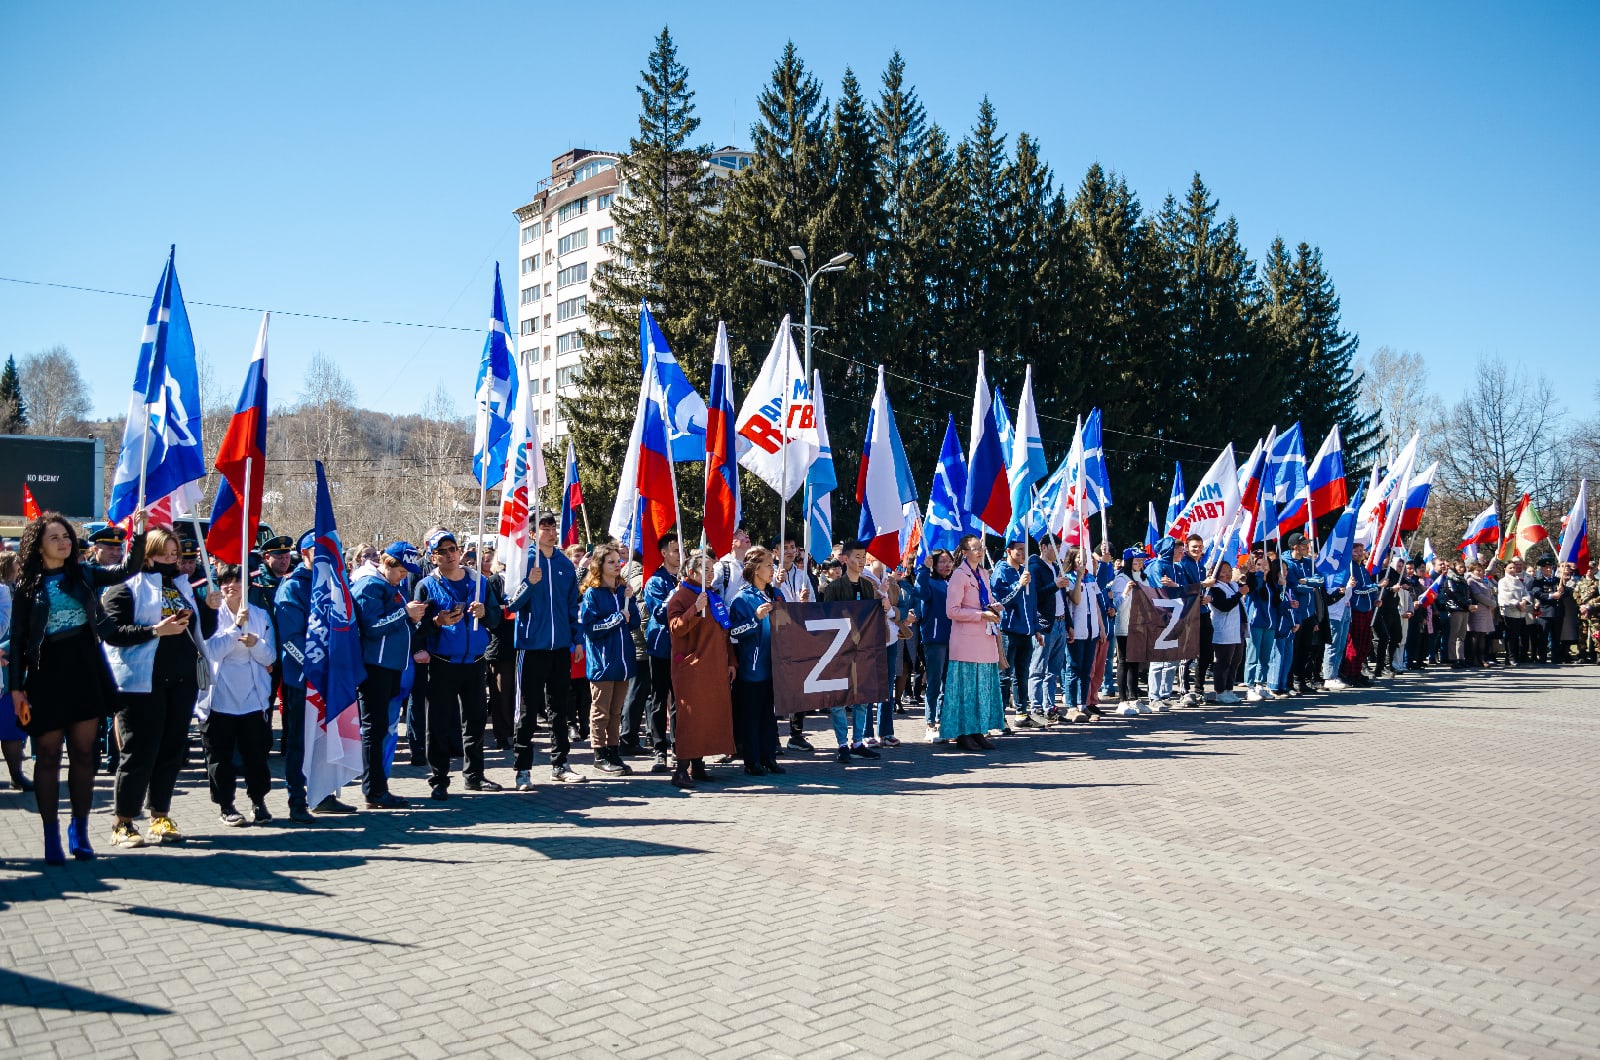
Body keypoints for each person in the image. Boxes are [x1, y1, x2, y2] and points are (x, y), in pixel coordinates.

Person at [6, 512, 145, 862]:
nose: (64, 542)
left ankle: (79, 831)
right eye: (55, 538)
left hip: (84, 668)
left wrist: (138, 533)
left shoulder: (84, 573)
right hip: (45, 673)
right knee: (48, 756)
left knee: (85, 754)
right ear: (38, 545)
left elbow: (126, 569)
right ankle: (51, 834)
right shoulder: (27, 585)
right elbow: (20, 638)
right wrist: (16, 689)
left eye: (66, 536)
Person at [102, 526, 220, 848]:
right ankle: (123, 822)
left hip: (181, 682)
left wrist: (208, 609)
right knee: (139, 753)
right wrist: (155, 630)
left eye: (175, 554)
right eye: (164, 553)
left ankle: (160, 816)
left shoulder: (181, 587)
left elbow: (201, 632)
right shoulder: (126, 586)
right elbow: (112, 632)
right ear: (147, 553)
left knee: (171, 752)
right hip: (141, 684)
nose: (172, 559)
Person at [414, 528, 505, 798]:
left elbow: (497, 619)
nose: (449, 555)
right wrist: (436, 622)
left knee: (476, 721)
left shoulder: (478, 581)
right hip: (442, 662)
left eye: (452, 549)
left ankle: (474, 775)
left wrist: (485, 612)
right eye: (442, 551)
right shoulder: (426, 585)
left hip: (475, 661)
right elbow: (416, 629)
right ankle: (439, 779)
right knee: (439, 724)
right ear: (433, 557)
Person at [505, 515, 583, 788]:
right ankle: (522, 769)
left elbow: (573, 606)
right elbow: (510, 605)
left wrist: (578, 640)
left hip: (560, 647)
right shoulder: (525, 562)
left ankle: (560, 764)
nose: (550, 533)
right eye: (545, 528)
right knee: (527, 712)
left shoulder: (564, 564)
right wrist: (529, 583)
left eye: (553, 528)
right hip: (531, 647)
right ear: (534, 533)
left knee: (559, 709)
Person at [197, 563, 277, 826]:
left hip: (253, 699)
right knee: (220, 757)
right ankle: (226, 805)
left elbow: (270, 656)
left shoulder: (260, 615)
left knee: (256, 756)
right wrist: (234, 631)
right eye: (224, 582)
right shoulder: (211, 615)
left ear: (247, 584)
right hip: (219, 699)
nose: (230, 586)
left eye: (235, 581)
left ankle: (258, 801)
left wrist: (256, 644)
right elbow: (210, 651)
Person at [353, 541, 426, 808]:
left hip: (391, 666)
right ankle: (373, 790)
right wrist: (404, 614)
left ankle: (378, 786)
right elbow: (371, 626)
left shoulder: (389, 585)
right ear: (387, 563)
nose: (404, 575)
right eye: (401, 571)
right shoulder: (370, 585)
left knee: (383, 728)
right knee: (374, 729)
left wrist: (411, 617)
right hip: (375, 667)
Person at [664, 549, 738, 788]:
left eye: (711, 569)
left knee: (709, 716)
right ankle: (680, 769)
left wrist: (731, 661)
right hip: (692, 667)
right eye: (705, 569)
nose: (710, 573)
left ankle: (698, 765)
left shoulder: (713, 596)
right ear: (691, 572)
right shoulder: (681, 597)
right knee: (691, 718)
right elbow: (676, 628)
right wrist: (694, 608)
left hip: (714, 667)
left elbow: (723, 631)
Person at [577, 542, 639, 775]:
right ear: (600, 565)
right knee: (601, 710)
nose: (617, 565)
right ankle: (599, 752)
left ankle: (613, 750)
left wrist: (630, 602)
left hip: (623, 662)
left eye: (618, 561)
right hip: (603, 661)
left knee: (616, 711)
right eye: (611, 562)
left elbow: (632, 623)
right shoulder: (593, 593)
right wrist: (617, 617)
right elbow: (592, 629)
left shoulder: (622, 591)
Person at [819, 540, 882, 762]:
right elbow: (827, 619)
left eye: (864, 556)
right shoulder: (834, 587)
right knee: (839, 699)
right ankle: (842, 744)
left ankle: (858, 741)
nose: (861, 560)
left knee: (862, 698)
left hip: (862, 650)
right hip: (839, 650)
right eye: (857, 556)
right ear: (845, 559)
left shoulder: (867, 586)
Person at [942, 534, 1002, 752]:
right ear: (965, 552)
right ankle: (963, 734)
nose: (980, 551)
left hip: (985, 639)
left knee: (981, 690)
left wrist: (995, 608)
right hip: (966, 643)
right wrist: (981, 615)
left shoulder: (984, 573)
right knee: (966, 691)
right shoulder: (959, 576)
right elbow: (952, 611)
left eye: (981, 547)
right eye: (975, 548)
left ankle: (978, 731)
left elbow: (986, 601)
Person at [729, 546, 784, 776]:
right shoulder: (742, 598)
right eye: (768, 565)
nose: (773, 570)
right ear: (754, 569)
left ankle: (768, 756)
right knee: (752, 717)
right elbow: (734, 632)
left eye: (773, 565)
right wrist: (755, 618)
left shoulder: (775, 594)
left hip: (776, 666)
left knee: (769, 716)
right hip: (752, 668)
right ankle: (751, 761)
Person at [640, 536, 682, 774]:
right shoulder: (655, 581)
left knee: (679, 700)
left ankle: (678, 746)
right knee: (659, 699)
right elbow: (658, 613)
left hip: (683, 648)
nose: (679, 554)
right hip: (661, 646)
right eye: (675, 550)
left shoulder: (686, 578)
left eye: (681, 550)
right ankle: (659, 749)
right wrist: (677, 592)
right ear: (664, 553)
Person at [774, 536, 816, 751]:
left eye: (792, 548)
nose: (789, 551)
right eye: (784, 548)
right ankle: (772, 736)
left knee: (799, 686)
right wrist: (776, 584)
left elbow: (814, 607)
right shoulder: (769, 575)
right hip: (776, 637)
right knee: (776, 686)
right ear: (775, 552)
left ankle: (796, 734)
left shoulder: (803, 576)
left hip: (798, 636)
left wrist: (806, 603)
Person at [909, 549, 954, 742]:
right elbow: (920, 592)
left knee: (948, 683)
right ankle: (930, 724)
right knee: (934, 682)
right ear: (934, 564)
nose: (947, 565)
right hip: (934, 639)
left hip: (953, 638)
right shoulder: (931, 581)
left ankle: (942, 721)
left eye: (949, 561)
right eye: (942, 562)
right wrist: (923, 570)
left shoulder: (950, 582)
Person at [991, 538, 1035, 729]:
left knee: (1022, 674)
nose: (1023, 554)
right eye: (1019, 550)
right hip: (1008, 630)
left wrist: (1036, 628)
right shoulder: (1001, 572)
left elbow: (1031, 602)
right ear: (1009, 551)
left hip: (1025, 631)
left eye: (1025, 550)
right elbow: (1001, 602)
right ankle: (999, 718)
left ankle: (1022, 713)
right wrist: (1018, 585)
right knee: (1005, 676)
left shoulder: (1023, 571)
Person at [0, 550, 34, 793]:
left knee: (11, 725)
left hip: (6, 668)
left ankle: (16, 775)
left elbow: (8, 628)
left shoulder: (4, 591)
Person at [1024, 538, 1066, 727]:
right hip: (1045, 623)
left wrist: (1069, 623)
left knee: (1053, 670)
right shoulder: (1035, 567)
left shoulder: (1056, 568)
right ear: (1043, 547)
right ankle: (1035, 707)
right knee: (1038, 668)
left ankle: (1049, 707)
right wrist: (1054, 585)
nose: (1058, 551)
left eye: (1059, 548)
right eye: (1054, 547)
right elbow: (1036, 595)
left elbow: (1062, 598)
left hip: (1060, 622)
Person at [1061, 547, 1103, 721]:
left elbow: (1096, 605)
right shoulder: (1068, 578)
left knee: (1087, 670)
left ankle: (1083, 704)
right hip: (1076, 630)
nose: (1082, 561)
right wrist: (1078, 577)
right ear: (1072, 559)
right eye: (1079, 557)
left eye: (1085, 558)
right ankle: (1071, 706)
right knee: (1074, 668)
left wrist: (1101, 628)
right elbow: (1076, 600)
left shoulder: (1091, 578)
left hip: (1091, 630)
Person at [1113, 549, 1148, 716]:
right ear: (1128, 562)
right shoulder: (1121, 579)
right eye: (1136, 561)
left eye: (1141, 561)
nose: (1140, 564)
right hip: (1125, 626)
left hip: (1139, 626)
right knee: (1124, 662)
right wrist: (1126, 592)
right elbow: (1118, 605)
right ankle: (1122, 700)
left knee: (1135, 663)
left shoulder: (1144, 578)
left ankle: (1134, 698)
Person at [1208, 559, 1245, 703]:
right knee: (1223, 662)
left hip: (1237, 629)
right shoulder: (1215, 588)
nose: (1227, 574)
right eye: (1223, 571)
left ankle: (1229, 689)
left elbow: (1249, 585)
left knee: (1235, 661)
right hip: (1223, 630)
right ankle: (1220, 691)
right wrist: (1239, 594)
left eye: (1229, 571)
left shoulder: (1233, 585)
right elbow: (1224, 606)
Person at [1465, 560, 1498, 667]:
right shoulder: (1471, 581)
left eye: (1481, 570)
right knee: (1475, 635)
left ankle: (1482, 658)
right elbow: (1478, 595)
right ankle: (1474, 658)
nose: (1480, 572)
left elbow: (1490, 593)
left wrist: (1493, 602)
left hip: (1486, 610)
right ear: (1472, 571)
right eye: (1478, 570)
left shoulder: (1483, 581)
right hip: (1477, 611)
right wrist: (1492, 603)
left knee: (1483, 635)